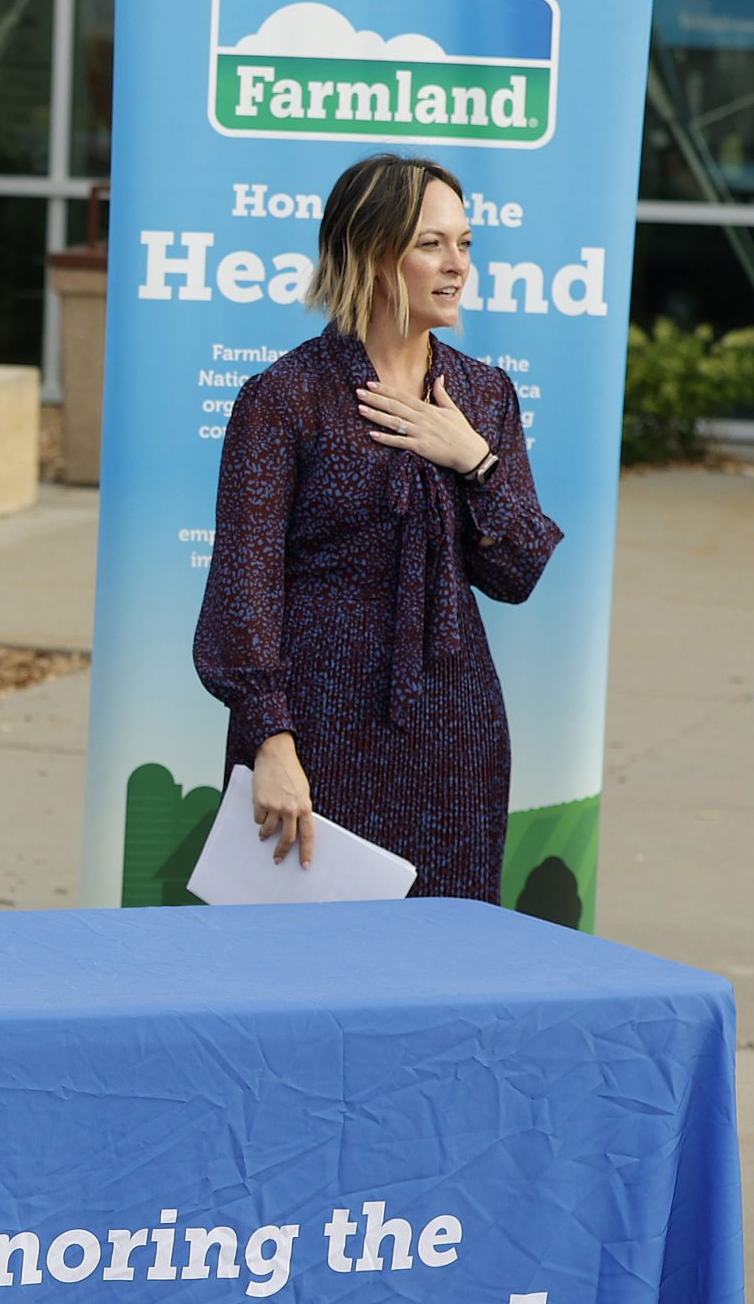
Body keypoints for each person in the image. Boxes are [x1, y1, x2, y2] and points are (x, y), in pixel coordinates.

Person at [193, 152, 561, 900]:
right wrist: (271, 739)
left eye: (465, 243)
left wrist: (474, 460)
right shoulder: (285, 398)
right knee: (304, 972)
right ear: (370, 252)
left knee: (446, 960)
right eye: (432, 244)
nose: (457, 265)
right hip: (315, 729)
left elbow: (517, 571)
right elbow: (244, 586)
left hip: (457, 731)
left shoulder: (484, 394)